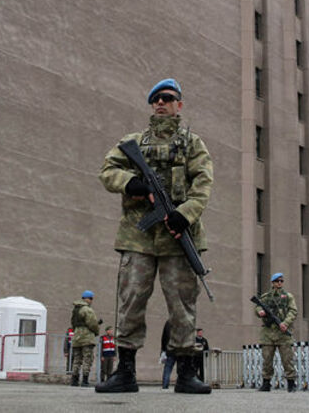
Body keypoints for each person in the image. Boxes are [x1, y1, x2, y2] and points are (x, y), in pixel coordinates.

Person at [96, 78, 213, 395]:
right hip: (139, 237)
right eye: (156, 99)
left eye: (167, 98)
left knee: (182, 305)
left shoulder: (192, 144)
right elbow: (107, 171)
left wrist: (183, 213)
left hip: (178, 235)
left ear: (179, 104)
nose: (161, 102)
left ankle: (187, 374)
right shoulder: (133, 141)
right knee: (131, 300)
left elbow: (203, 186)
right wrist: (131, 183)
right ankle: (126, 372)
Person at [255, 272, 298, 392]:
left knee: (287, 359)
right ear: (273, 283)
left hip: (283, 332)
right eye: (277, 281)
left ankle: (291, 383)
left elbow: (293, 311)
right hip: (268, 332)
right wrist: (260, 311)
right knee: (267, 359)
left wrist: (285, 323)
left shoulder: (288, 296)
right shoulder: (266, 297)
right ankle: (266, 383)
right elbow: (257, 307)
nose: (280, 283)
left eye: (281, 281)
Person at [70, 291, 100, 387]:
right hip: (86, 337)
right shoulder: (87, 310)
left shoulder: (75, 309)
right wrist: (96, 332)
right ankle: (85, 380)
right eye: (91, 298)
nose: (91, 301)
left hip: (76, 337)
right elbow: (93, 324)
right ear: (86, 298)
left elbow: (73, 323)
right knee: (87, 358)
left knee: (77, 359)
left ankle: (74, 380)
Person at [160, 320, 175, 389]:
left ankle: (165, 385)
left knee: (167, 368)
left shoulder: (168, 322)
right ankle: (181, 384)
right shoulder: (181, 320)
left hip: (170, 349)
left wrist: (163, 349)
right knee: (182, 368)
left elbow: (164, 337)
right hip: (180, 349)